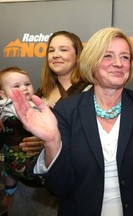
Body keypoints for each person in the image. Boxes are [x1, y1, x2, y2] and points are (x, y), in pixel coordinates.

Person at [9, 27, 133, 216]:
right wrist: (52, 142)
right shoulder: (67, 110)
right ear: (92, 61)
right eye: (108, 56)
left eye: (125, 57)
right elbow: (60, 187)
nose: (118, 63)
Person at [7, 31, 91, 216]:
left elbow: (93, 140)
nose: (56, 54)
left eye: (63, 49)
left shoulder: (89, 92)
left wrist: (50, 142)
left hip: (67, 187)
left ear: (77, 55)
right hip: (29, 189)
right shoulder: (40, 91)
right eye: (51, 50)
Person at [0, 67, 40, 210]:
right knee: (8, 173)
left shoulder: (36, 104)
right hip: (9, 153)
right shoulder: (5, 105)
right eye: (17, 86)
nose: (24, 88)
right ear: (3, 94)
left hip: (28, 158)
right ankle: (9, 191)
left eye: (27, 84)